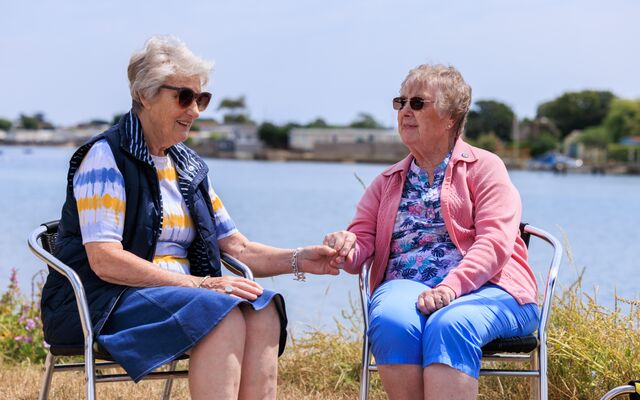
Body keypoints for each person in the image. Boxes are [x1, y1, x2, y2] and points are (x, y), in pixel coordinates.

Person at [40, 36, 340, 400]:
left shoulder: (188, 165)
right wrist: (202, 285)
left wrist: (299, 259)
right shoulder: (105, 158)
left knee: (264, 308)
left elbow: (238, 247)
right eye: (184, 97)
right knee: (222, 312)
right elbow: (105, 260)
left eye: (202, 99)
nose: (196, 110)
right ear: (145, 95)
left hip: (181, 297)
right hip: (104, 303)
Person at [324, 64, 539, 400]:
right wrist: (344, 246)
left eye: (418, 103)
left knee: (450, 323)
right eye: (401, 102)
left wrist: (449, 288)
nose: (406, 111)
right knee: (392, 321)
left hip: (492, 289)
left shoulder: (485, 167)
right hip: (406, 286)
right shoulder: (387, 181)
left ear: (451, 117)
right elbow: (360, 244)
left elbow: (495, 244)